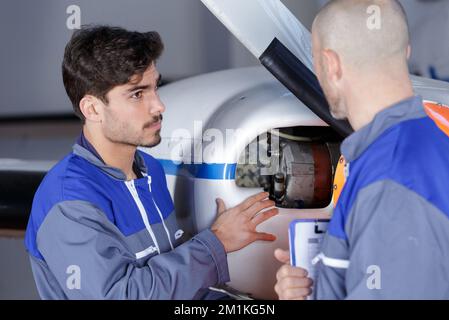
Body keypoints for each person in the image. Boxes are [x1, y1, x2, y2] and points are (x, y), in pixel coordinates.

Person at [24, 26, 278, 299]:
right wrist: (215, 243)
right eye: (137, 94)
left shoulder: (150, 170)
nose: (159, 105)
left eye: (155, 87)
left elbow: (182, 292)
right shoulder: (69, 203)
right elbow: (124, 295)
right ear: (93, 109)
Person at [275, 0, 449, 300]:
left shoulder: (390, 184)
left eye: (315, 63)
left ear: (331, 65)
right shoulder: (431, 144)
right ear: (406, 52)